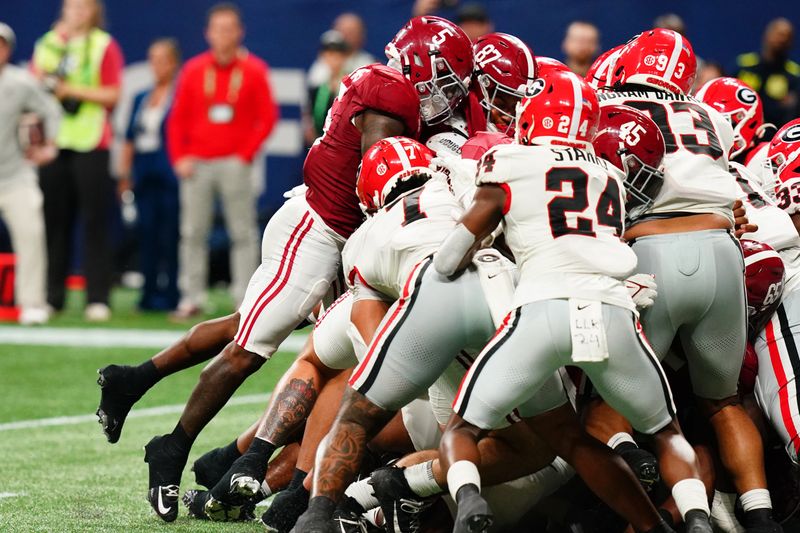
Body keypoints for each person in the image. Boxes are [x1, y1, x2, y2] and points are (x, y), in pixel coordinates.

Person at [115, 15, 452, 524]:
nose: (446, 93)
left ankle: (170, 410)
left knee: (302, 351)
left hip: (345, 236)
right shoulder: (392, 96)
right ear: (420, 67)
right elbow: (378, 179)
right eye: (443, 77)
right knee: (253, 347)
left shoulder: (384, 84)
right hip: (323, 230)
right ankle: (176, 446)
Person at [600, 28, 782, 531]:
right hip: (723, 253)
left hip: (647, 254)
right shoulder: (712, 117)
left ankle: (655, 508)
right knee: (722, 401)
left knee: (618, 403)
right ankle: (761, 516)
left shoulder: (603, 105)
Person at [166, 2, 278, 319]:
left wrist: (245, 155)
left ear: (240, 32)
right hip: (197, 162)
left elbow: (267, 118)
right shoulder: (194, 69)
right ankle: (191, 296)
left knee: (242, 232)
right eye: (217, 28)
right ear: (208, 33)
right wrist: (180, 157)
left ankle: (244, 297)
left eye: (229, 28)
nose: (223, 35)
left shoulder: (254, 70)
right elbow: (177, 120)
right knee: (192, 232)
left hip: (234, 162)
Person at [31, 0, 124, 322]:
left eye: (85, 7)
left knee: (94, 222)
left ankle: (97, 297)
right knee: (53, 223)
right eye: (73, 6)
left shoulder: (103, 45)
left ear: (95, 12)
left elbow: (113, 94)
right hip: (54, 144)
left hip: (91, 142)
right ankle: (52, 297)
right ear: (64, 10)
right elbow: (34, 88)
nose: (78, 12)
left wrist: (72, 90)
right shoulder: (46, 44)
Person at [0, 23, 60, 326]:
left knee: (31, 235)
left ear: (8, 50)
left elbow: (50, 110)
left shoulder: (21, 83)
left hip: (14, 177)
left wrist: (48, 146)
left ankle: (33, 303)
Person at [118, 38, 181, 311]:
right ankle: (148, 293)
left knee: (170, 234)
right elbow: (130, 138)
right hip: (144, 172)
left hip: (169, 171)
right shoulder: (141, 97)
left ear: (173, 63)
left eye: (162, 60)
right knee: (147, 233)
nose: (157, 66)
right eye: (152, 60)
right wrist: (124, 174)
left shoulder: (179, 96)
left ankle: (170, 294)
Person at [737, 18, 800, 128]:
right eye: (779, 34)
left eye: (787, 36)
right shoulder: (744, 65)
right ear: (767, 35)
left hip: (775, 135)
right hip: (740, 128)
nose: (782, 39)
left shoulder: (794, 74)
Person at [307, 13, 374, 91]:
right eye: (343, 31)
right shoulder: (323, 63)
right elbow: (314, 90)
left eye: (351, 32)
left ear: (361, 36)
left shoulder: (368, 64)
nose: (346, 36)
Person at [305, 30, 350, 145]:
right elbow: (312, 116)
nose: (333, 59)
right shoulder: (318, 87)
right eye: (329, 54)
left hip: (344, 145)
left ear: (344, 57)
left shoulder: (351, 85)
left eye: (337, 54)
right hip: (321, 145)